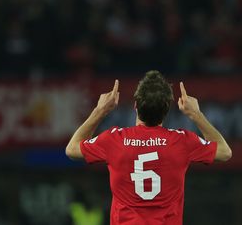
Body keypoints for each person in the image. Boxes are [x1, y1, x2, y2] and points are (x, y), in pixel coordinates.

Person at [65, 70, 232, 225]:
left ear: (135, 105)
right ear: (167, 109)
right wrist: (195, 114)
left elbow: (72, 149)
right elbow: (224, 152)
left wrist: (100, 110)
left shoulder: (114, 139)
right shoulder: (182, 141)